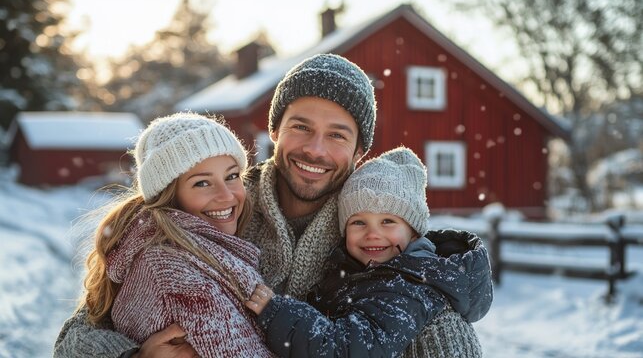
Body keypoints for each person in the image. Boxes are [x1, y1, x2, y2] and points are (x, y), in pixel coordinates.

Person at [54, 53, 492, 357]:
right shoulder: (217, 204)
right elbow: (77, 334)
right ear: (275, 132)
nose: (316, 149)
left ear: (360, 151)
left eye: (338, 135)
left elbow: (424, 305)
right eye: (301, 126)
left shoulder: (375, 233)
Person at [58, 113, 274, 357]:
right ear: (169, 194)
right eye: (202, 183)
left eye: (232, 176)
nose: (226, 195)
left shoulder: (207, 246)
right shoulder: (173, 275)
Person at [246, 147, 486, 357]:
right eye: (359, 223)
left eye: (388, 222)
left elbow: (349, 349)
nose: (372, 234)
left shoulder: (409, 286)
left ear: (413, 232)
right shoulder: (364, 273)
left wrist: (277, 312)